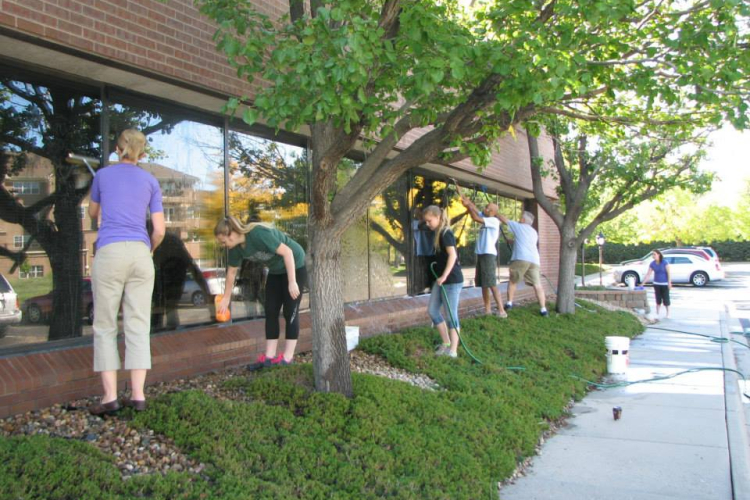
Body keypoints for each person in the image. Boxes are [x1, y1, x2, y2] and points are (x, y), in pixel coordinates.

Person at [88, 129, 165, 416]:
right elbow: (159, 230)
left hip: (110, 252)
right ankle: (138, 395)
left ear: (118, 149)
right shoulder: (150, 181)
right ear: (142, 153)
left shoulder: (102, 176)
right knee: (138, 324)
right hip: (140, 254)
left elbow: (92, 213)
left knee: (105, 325)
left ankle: (110, 398)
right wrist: (148, 250)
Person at [214, 216, 306, 369]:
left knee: (290, 311)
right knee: (270, 310)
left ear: (232, 234)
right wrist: (226, 298)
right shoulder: (235, 249)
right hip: (276, 271)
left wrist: (292, 281)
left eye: (223, 242)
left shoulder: (257, 234)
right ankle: (269, 357)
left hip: (294, 265)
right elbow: (231, 273)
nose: (223, 245)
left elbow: (288, 252)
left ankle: (288, 358)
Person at [422, 205, 463, 358]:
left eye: (429, 221)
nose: (427, 224)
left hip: (451, 280)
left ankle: (453, 350)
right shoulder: (437, 234)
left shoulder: (446, 233)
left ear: (438, 217)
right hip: (440, 281)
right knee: (433, 310)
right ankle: (446, 343)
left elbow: (453, 255)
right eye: (426, 221)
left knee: (451, 315)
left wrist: (444, 276)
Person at [460, 195, 508, 318]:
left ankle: (501, 311)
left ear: (492, 212)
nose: (484, 209)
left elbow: (475, 217)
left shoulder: (494, 221)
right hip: (481, 254)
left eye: (487, 208)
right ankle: (487, 310)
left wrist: (468, 206)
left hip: (488, 255)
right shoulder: (486, 217)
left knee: (491, 283)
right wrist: (467, 201)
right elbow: (475, 210)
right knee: (483, 283)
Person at [498, 210, 548, 316]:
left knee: (513, 281)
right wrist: (512, 241)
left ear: (523, 220)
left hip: (521, 258)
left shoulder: (518, 226)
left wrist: (495, 212)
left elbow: (504, 220)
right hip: (534, 260)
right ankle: (543, 309)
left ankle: (509, 303)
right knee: (537, 285)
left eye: (521, 217)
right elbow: (526, 242)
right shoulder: (534, 232)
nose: (519, 219)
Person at [642, 249, 672, 318]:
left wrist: (669, 283)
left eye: (654, 254)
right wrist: (643, 283)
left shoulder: (665, 263)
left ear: (659, 255)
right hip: (656, 283)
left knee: (666, 298)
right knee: (658, 299)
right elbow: (648, 274)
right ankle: (657, 313)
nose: (653, 256)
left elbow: (668, 273)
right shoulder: (652, 264)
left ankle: (668, 313)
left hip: (664, 284)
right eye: (652, 254)